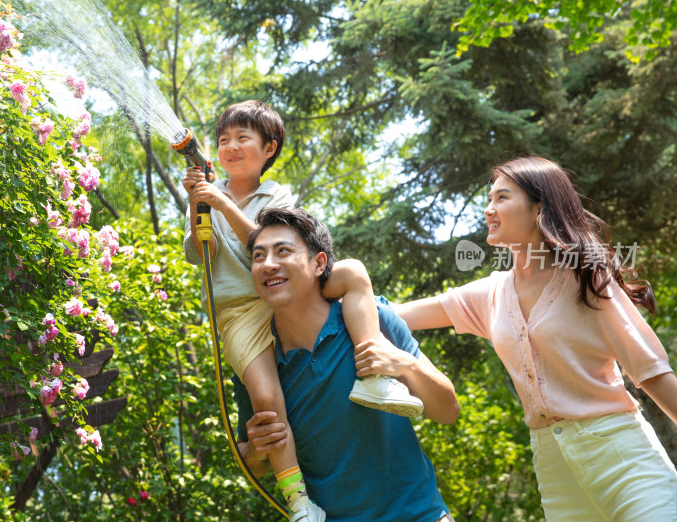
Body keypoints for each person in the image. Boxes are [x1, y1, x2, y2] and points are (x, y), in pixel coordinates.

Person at [394, 157, 677, 520]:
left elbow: (650, 370)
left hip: (620, 453)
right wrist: (331, 287)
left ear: (538, 208)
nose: (488, 209)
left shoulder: (586, 278)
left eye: (501, 198)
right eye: (489, 199)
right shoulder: (490, 294)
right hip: (553, 467)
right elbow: (395, 314)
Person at [182, 100, 422, 521]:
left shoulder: (277, 196)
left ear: (269, 148)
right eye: (223, 141)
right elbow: (202, 253)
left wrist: (222, 206)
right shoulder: (209, 196)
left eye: (243, 138)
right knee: (267, 400)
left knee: (350, 271)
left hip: (287, 291)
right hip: (239, 310)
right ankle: (299, 502)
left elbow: (261, 243)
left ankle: (374, 375)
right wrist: (196, 205)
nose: (231, 147)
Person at [236, 206, 460, 522]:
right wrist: (258, 451)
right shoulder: (256, 362)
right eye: (258, 257)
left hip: (421, 515)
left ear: (319, 264)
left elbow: (447, 411)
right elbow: (251, 461)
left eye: (283, 251)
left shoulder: (374, 317)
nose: (268, 265)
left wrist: (404, 364)